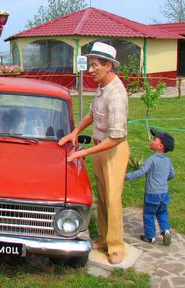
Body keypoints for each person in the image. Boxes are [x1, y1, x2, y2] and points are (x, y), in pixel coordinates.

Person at [58, 42, 129, 265]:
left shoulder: (116, 94)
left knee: (113, 199)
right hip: (101, 147)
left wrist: (83, 152)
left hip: (113, 151)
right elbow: (91, 113)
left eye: (95, 65)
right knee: (102, 196)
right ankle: (105, 239)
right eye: (90, 64)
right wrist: (75, 132)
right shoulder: (102, 87)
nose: (91, 70)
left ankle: (116, 246)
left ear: (109, 65)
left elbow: (117, 136)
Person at [125, 128, 176, 245]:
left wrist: (125, 176)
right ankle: (166, 230)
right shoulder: (167, 160)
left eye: (154, 139)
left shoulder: (152, 159)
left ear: (160, 146)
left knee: (149, 215)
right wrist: (163, 179)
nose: (151, 140)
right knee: (162, 213)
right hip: (164, 194)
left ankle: (150, 236)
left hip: (152, 195)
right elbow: (172, 174)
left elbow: (141, 171)